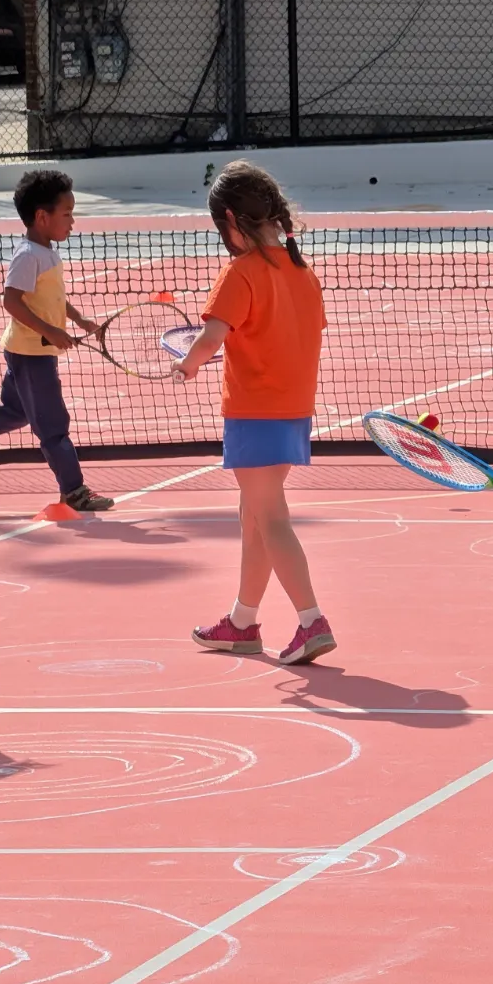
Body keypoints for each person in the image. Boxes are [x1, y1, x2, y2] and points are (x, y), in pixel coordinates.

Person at [176, 160, 335, 666]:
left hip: (255, 412)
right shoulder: (301, 272)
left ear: (229, 220)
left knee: (269, 516)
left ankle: (312, 620)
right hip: (293, 412)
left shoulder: (240, 273)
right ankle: (242, 623)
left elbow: (211, 338)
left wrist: (189, 364)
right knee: (253, 516)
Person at [0, 169, 113, 512]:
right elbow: (11, 301)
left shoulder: (46, 251)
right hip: (31, 355)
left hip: (27, 351)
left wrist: (77, 319)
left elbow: (50, 299)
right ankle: (74, 490)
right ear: (42, 217)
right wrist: (50, 331)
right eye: (67, 214)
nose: (72, 221)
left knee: (14, 412)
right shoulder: (28, 255)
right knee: (53, 426)